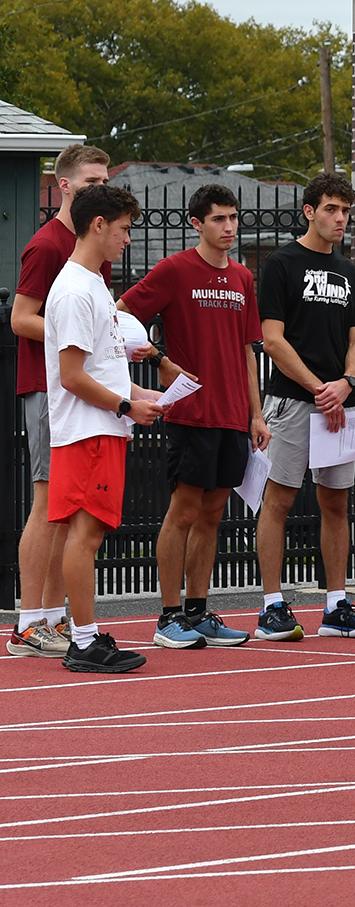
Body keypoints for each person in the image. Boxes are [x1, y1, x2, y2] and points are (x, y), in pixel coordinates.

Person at [116, 184, 270, 650]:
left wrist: (256, 413)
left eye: (233, 218)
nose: (228, 226)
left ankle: (199, 611)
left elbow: (246, 349)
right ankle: (168, 616)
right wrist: (158, 357)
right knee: (183, 510)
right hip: (189, 411)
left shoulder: (244, 277)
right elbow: (120, 313)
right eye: (219, 219)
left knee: (213, 513)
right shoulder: (175, 269)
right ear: (197, 223)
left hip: (232, 415)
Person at [253, 171, 355, 641]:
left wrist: (346, 383)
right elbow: (272, 339)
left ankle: (336, 606)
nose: (340, 218)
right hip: (291, 403)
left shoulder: (348, 272)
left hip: (339, 407)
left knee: (336, 503)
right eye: (331, 209)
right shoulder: (281, 264)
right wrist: (318, 389)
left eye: (345, 210)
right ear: (309, 211)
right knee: (279, 499)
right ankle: (272, 607)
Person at [46, 185, 165, 673]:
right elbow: (71, 376)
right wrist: (124, 404)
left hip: (102, 425)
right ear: (98, 225)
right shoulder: (76, 288)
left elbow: (101, 366)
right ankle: (83, 640)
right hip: (87, 430)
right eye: (123, 229)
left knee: (88, 533)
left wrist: (141, 396)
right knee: (86, 534)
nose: (128, 239)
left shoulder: (94, 284)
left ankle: (85, 635)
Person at [7, 145, 116, 659]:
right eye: (92, 178)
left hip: (75, 389)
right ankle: (30, 622)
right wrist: (71, 333)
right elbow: (20, 317)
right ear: (64, 185)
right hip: (51, 388)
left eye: (106, 177)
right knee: (47, 502)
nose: (102, 185)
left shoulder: (91, 244)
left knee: (65, 508)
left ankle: (49, 618)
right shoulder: (50, 245)